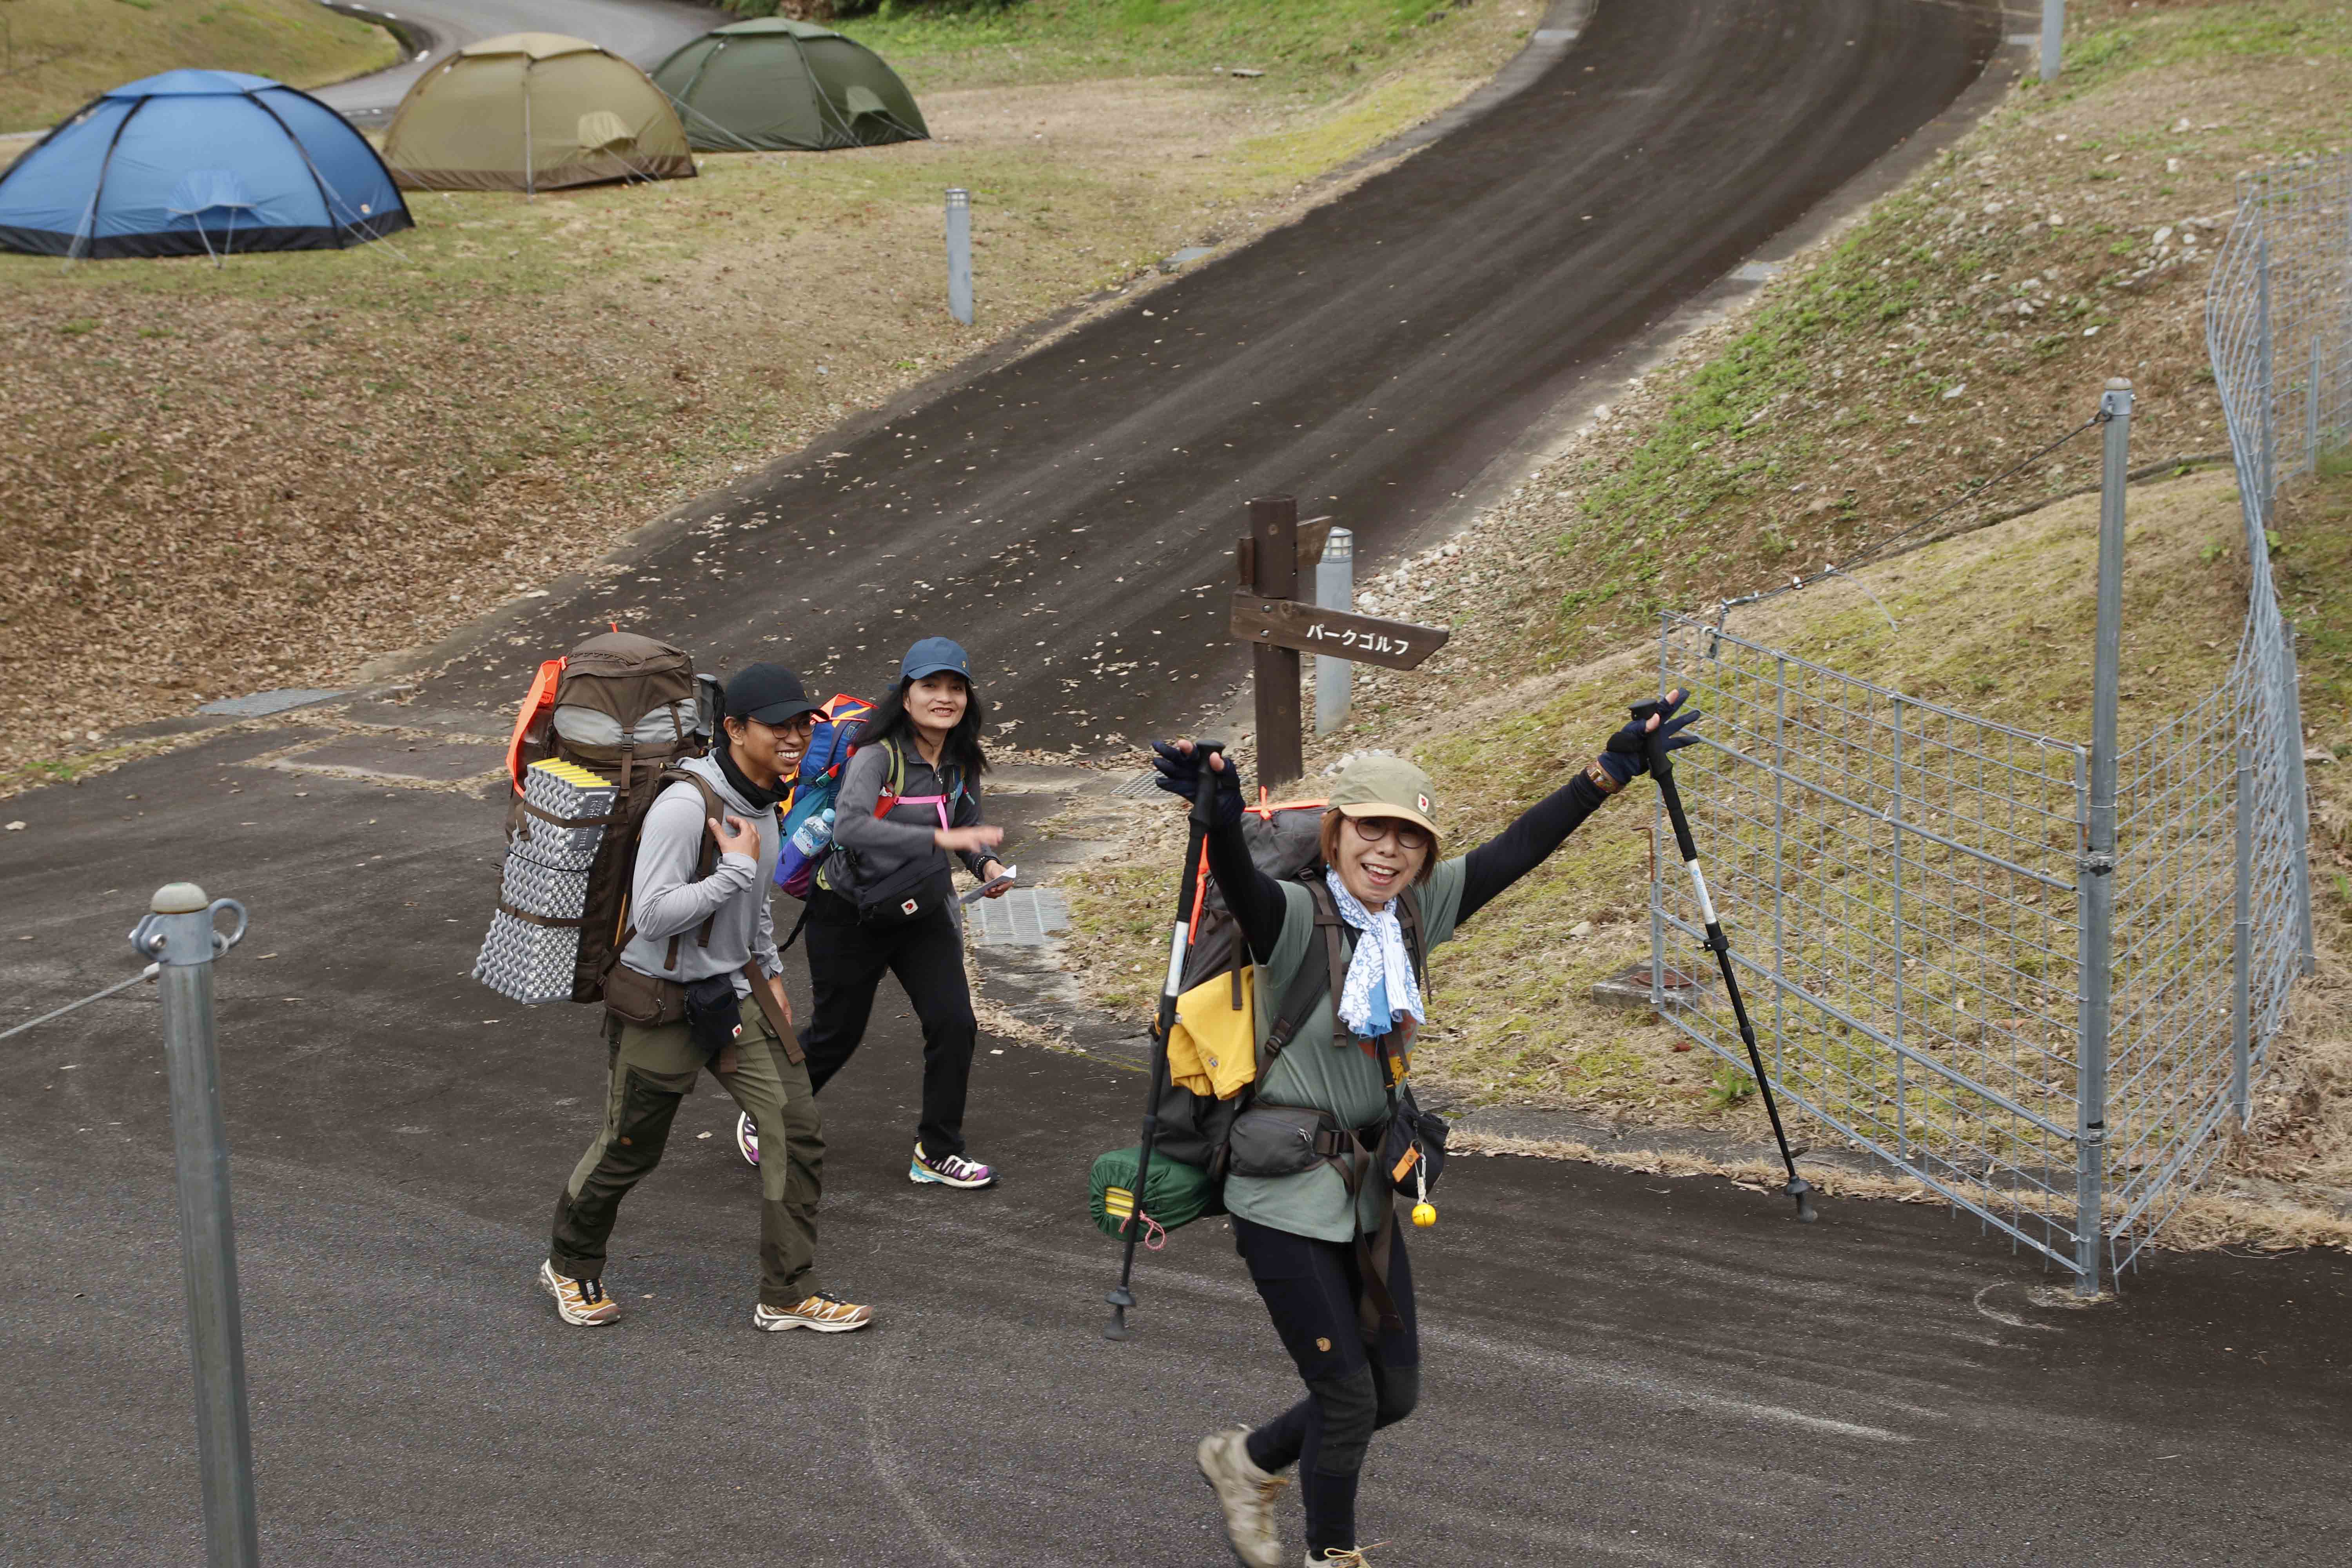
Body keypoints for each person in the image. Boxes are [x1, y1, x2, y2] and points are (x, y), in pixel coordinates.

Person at [1165, 692, 1702, 1567]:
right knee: (1345, 1398)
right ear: (1336, 833)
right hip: (1282, 1189)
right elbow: (1242, 883)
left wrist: (1607, 772)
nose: (1388, 849)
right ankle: (1331, 1554)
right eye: (1371, 830)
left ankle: (1247, 1458)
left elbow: (1519, 850)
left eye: (1408, 836)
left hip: (1372, 1185)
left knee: (1393, 1393)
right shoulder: (1296, 915)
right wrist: (1219, 818)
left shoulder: (1418, 910)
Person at [541, 663, 874, 1334]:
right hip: (658, 1001)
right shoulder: (685, 805)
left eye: (803, 724)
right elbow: (658, 914)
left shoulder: (762, 802)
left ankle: (788, 1293)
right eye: (778, 725)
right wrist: (736, 870)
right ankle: (569, 1263)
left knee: (796, 1129)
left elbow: (749, 914)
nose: (795, 736)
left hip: (731, 995)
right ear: (734, 729)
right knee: (631, 1144)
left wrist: (772, 975)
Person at [797, 636, 1011, 1189]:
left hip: (921, 910)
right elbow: (850, 827)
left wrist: (986, 866)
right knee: (836, 1034)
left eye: (956, 688)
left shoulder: (961, 762)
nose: (945, 698)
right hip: (850, 912)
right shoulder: (877, 755)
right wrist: (939, 837)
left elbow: (968, 827)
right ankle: (768, 1107)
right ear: (906, 695)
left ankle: (938, 1151)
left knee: (955, 1024)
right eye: (931, 687)